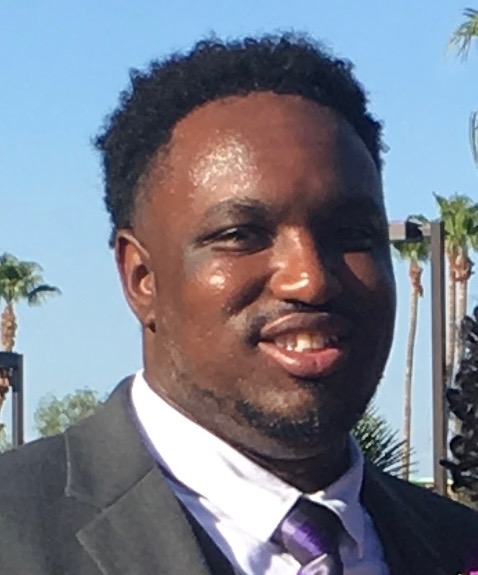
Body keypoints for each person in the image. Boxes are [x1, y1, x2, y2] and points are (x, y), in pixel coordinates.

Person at [0, 34, 476, 575]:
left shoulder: (458, 544)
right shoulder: (16, 535)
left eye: (351, 234)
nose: (310, 280)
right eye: (242, 235)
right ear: (141, 278)